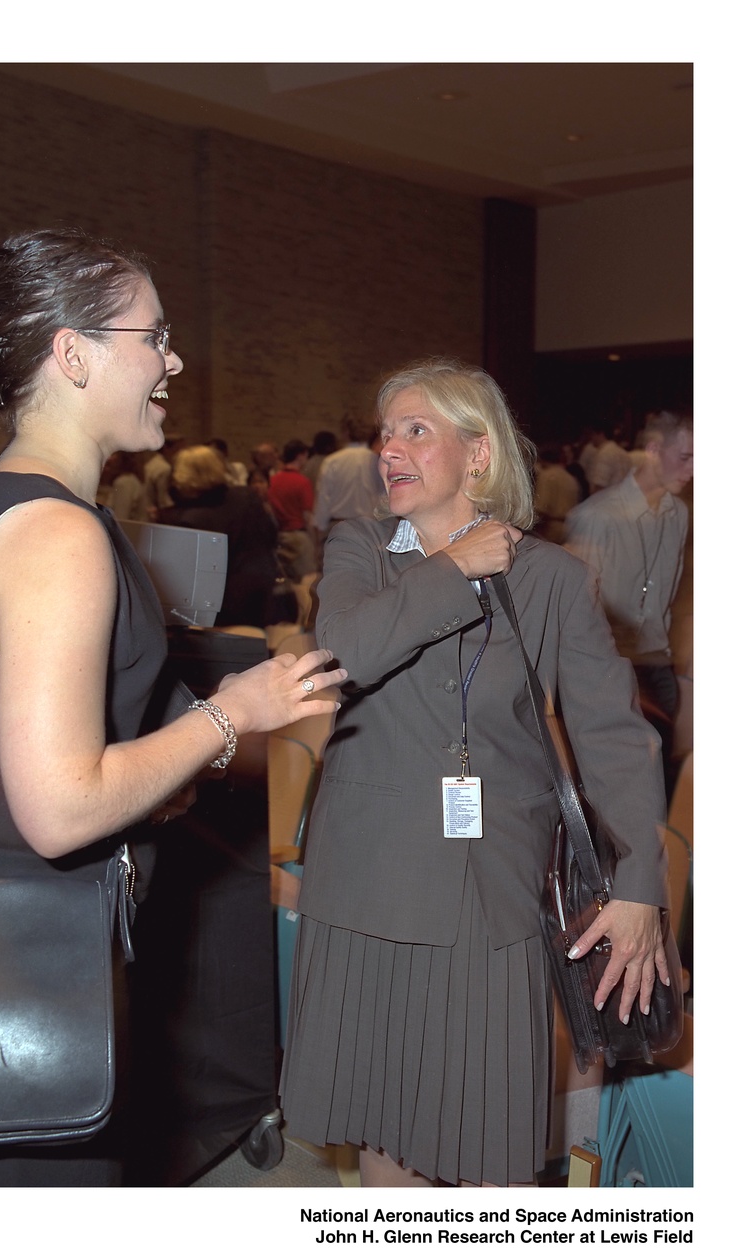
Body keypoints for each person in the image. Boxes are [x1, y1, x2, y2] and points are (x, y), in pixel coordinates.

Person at [0, 227, 346, 1187]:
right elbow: (57, 810)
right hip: (15, 972)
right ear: (73, 353)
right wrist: (234, 712)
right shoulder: (59, 535)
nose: (173, 360)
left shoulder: (11, 503)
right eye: (154, 336)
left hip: (1, 947)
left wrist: (161, 774)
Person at [280, 358, 670, 1189]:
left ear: (479, 453)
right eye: (385, 431)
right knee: (386, 1129)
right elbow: (347, 653)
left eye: (416, 429)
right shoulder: (358, 550)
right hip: (367, 886)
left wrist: (640, 885)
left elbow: (612, 738)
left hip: (493, 892)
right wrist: (452, 568)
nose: (391, 447)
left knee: (493, 1138)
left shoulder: (555, 578)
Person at [564, 409, 693, 797]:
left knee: (662, 780)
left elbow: (669, 595)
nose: (694, 470)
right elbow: (575, 610)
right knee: (617, 787)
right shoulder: (596, 516)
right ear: (653, 450)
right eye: (686, 458)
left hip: (658, 662)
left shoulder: (679, 513)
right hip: (612, 671)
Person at [160, 443, 281, 627]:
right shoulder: (246, 497)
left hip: (208, 612)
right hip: (256, 600)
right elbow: (271, 536)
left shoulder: (180, 517)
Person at [311, 412, 382, 547]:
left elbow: (323, 499)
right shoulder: (377, 461)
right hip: (370, 529)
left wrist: (319, 528)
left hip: (339, 529)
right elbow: (384, 497)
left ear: (345, 432)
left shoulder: (332, 461)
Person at [268, 438, 317, 581]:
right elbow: (307, 514)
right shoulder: (302, 482)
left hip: (279, 537)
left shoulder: (273, 480)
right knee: (307, 582)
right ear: (301, 456)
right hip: (299, 537)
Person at [532, 441, 579, 543]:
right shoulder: (570, 477)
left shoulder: (547, 476)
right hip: (571, 528)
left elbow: (542, 508)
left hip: (552, 529)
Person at [97, 450, 147, 521]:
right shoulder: (128, 479)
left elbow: (120, 521)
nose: (109, 458)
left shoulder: (124, 482)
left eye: (113, 454)